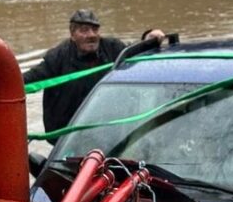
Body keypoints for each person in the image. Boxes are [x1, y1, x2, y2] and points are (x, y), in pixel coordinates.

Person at [23, 9, 164, 142]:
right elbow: (29, 79)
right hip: (68, 133)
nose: (91, 35)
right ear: (72, 35)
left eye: (95, 30)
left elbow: (134, 51)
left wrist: (148, 38)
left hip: (105, 127)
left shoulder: (112, 48)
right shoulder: (57, 57)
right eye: (84, 30)